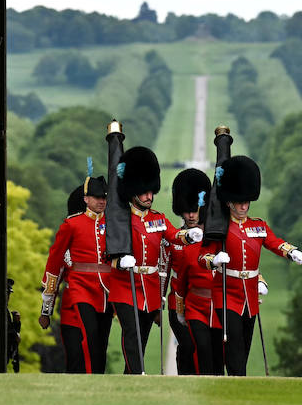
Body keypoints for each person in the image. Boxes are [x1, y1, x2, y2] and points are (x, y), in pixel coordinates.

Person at [200, 155, 302, 376]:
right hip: (227, 293)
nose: (244, 206)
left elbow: (273, 242)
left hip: (249, 295)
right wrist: (215, 260)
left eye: (246, 202)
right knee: (234, 342)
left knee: (245, 344)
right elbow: (203, 256)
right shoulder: (220, 227)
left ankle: (238, 377)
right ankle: (238, 379)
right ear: (229, 201)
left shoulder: (258, 225)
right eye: (240, 202)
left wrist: (290, 251)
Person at [108, 145, 203, 374]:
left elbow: (173, 235)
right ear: (133, 191)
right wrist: (119, 262)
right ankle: (140, 374)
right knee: (132, 334)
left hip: (149, 290)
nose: (149, 196)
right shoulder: (120, 219)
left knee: (142, 338)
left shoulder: (158, 219)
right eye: (144, 192)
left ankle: (131, 377)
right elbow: (105, 251)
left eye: (151, 191)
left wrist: (188, 235)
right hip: (125, 287)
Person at [40, 170, 114, 373]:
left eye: (104, 197)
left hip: (106, 293)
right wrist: (46, 308)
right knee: (87, 341)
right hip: (80, 289)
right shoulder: (72, 224)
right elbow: (54, 265)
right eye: (97, 197)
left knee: (100, 345)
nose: (101, 201)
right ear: (86, 199)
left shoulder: (113, 224)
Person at [167, 167, 210, 374]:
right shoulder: (175, 238)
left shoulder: (214, 238)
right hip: (178, 305)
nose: (191, 215)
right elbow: (163, 272)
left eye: (195, 209)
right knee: (188, 346)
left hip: (208, 303)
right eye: (187, 210)